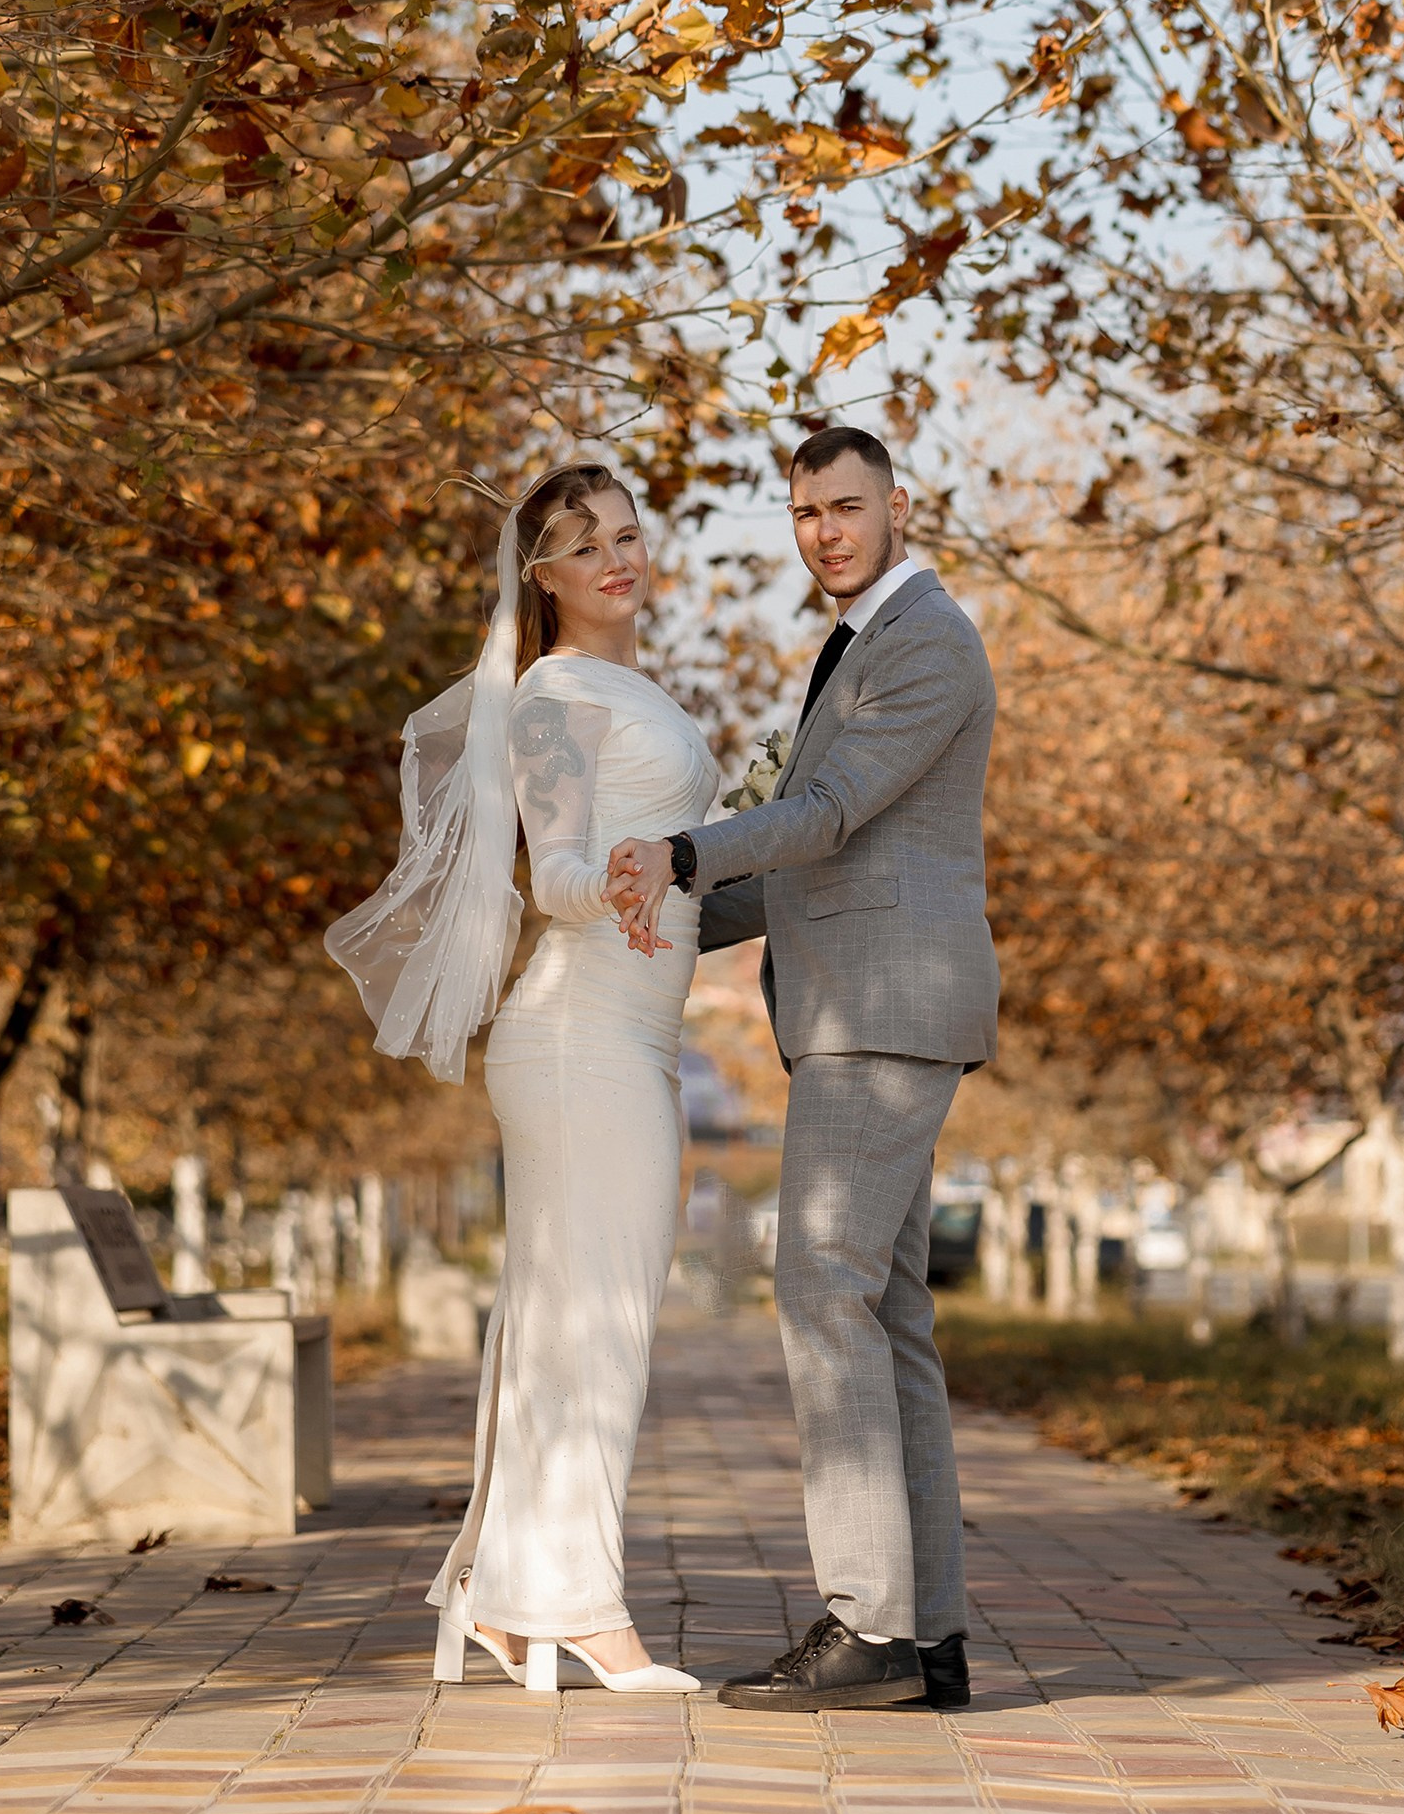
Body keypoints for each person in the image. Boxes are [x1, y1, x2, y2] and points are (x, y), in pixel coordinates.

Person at [607, 423, 998, 1713]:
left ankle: (870, 1624)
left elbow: (822, 819)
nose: (825, 530)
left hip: (885, 1009)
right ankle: (925, 1635)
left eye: (845, 505)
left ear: (899, 505)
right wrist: (661, 914)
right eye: (804, 512)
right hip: (870, 1003)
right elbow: (805, 862)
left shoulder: (927, 640)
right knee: (886, 1313)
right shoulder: (864, 641)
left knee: (819, 1285)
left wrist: (680, 854)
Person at [326, 460, 712, 1696]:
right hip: (581, 1035)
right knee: (598, 1326)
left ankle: (504, 1593)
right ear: (539, 576)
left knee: (564, 1321)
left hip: (626, 1035)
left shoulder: (628, 685)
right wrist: (626, 877)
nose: (616, 557)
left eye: (627, 532)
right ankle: (576, 1607)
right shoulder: (552, 696)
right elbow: (556, 873)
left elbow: (668, 862)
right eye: (583, 543)